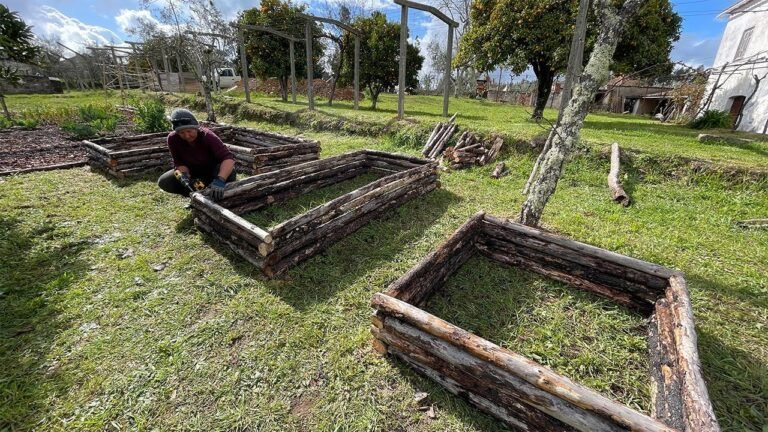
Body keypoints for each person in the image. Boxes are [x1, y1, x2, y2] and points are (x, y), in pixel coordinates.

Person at [157, 109, 236, 202]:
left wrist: (220, 180)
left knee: (228, 173)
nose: (186, 136)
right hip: (194, 173)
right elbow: (179, 162)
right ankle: (196, 197)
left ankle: (217, 196)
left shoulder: (208, 136)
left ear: (196, 128)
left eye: (189, 131)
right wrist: (185, 176)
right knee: (165, 181)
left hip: (214, 172)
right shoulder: (172, 139)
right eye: (181, 133)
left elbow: (228, 158)